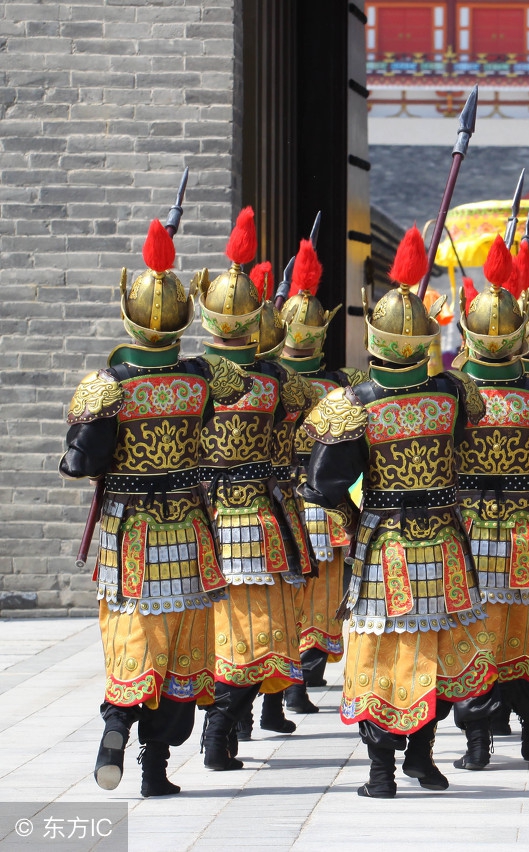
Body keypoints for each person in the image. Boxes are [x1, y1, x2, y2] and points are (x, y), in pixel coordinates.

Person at [298, 226, 499, 797]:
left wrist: (354, 517)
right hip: (441, 538)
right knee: (433, 643)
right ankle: (424, 758)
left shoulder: (355, 403)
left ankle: (383, 770)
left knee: (383, 649)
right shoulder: (453, 392)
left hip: (385, 539)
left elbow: (323, 484)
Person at [61, 219, 249, 797]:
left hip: (132, 533)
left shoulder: (109, 384)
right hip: (189, 529)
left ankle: (117, 722)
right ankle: (156, 768)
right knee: (184, 644)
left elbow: (80, 463)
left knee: (133, 635)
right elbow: (239, 379)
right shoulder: (202, 377)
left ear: (129, 315)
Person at [194, 208, 317, 772]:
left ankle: (225, 724)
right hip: (254, 519)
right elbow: (306, 423)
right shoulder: (277, 382)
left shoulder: (186, 375)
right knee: (256, 629)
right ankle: (220, 729)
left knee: (212, 627)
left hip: (190, 518)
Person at [453, 236, 529, 769]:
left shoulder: (451, 389)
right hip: (527, 524)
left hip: (470, 526)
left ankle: (478, 737)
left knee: (475, 628)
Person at [278, 240, 368, 714]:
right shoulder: (342, 386)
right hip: (322, 506)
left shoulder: (264, 379)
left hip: (271, 503)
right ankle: (301, 676)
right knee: (322, 594)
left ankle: (283, 681)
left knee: (284, 595)